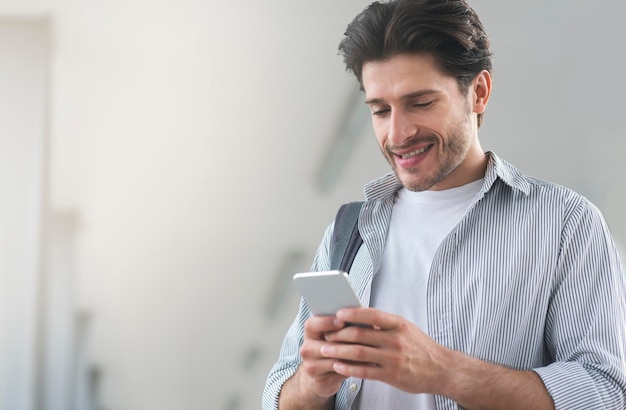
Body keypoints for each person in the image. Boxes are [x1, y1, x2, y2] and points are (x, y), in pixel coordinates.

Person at [263, 0, 626, 409]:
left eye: (420, 103)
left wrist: (444, 372)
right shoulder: (350, 231)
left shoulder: (565, 223)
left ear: (479, 92)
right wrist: (312, 385)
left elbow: (606, 392)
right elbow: (278, 393)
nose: (397, 134)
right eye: (380, 110)